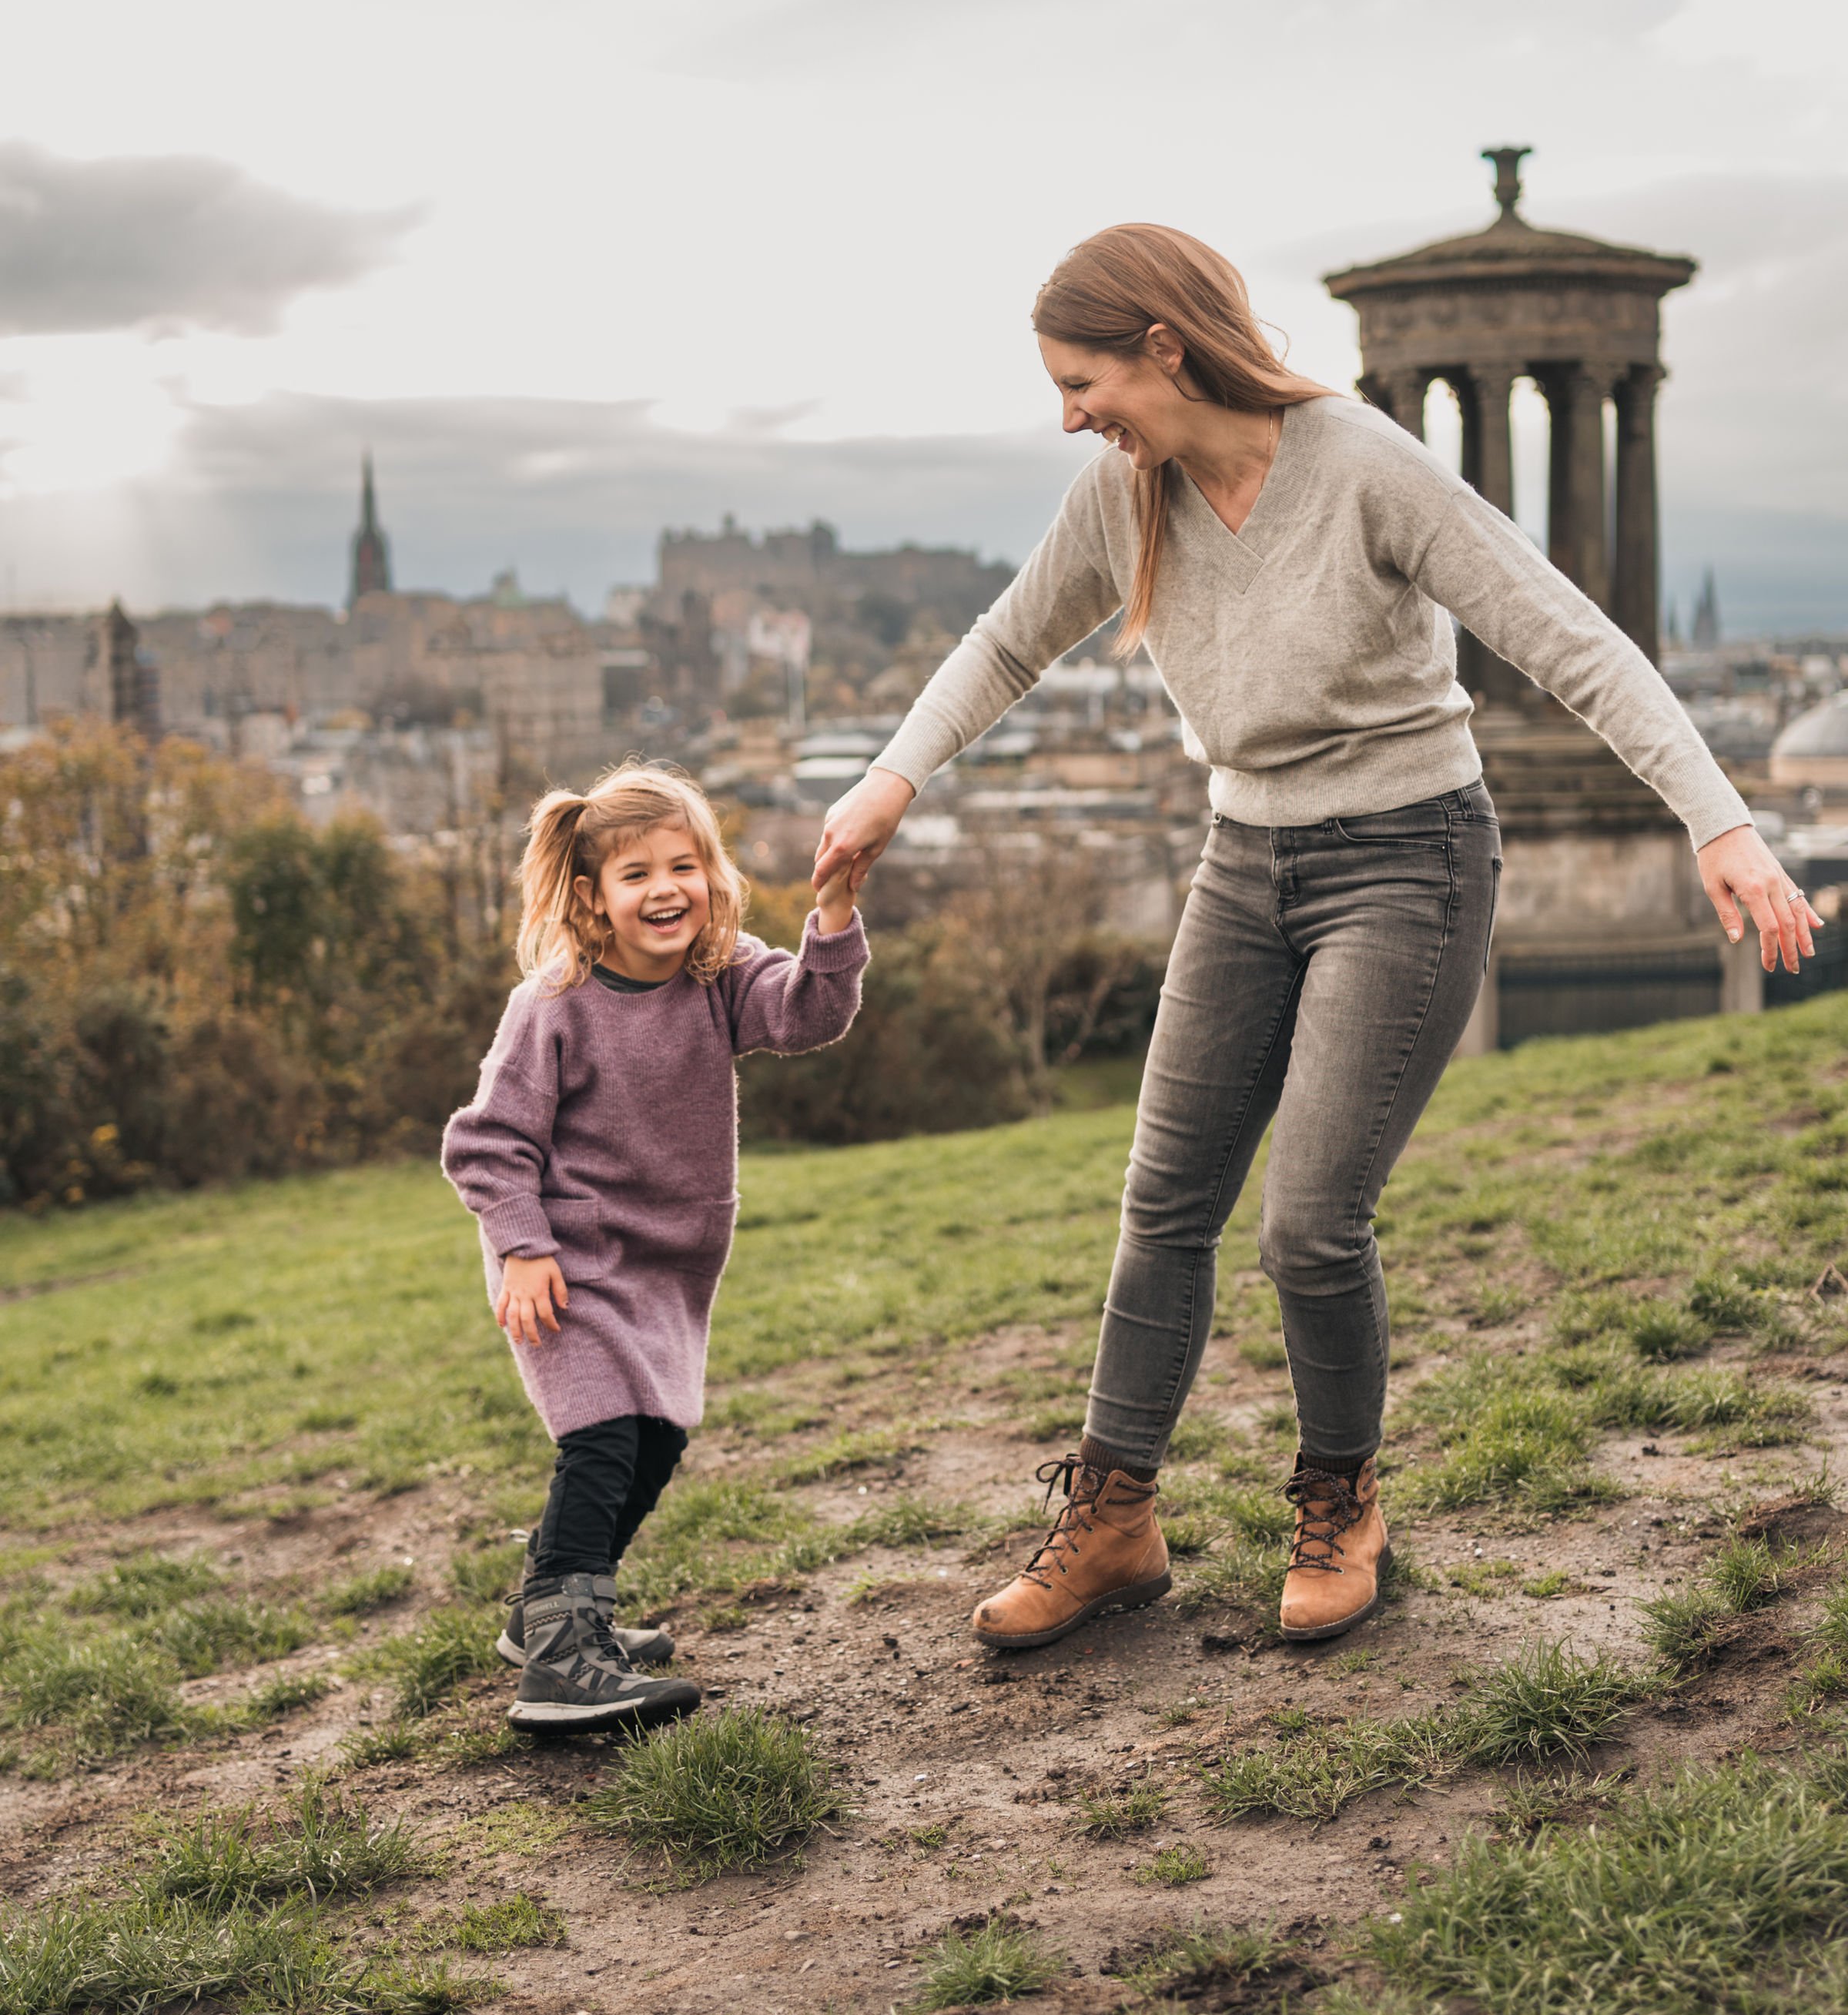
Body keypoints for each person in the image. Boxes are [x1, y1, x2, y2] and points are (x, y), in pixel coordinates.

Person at [814, 223, 1820, 1655]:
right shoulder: (1123, 497)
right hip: (1245, 862)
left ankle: (1343, 1501)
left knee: (1307, 1224)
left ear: (1165, 346)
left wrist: (1719, 823)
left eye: (1082, 378)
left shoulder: (1361, 466)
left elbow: (1569, 638)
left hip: (1407, 859)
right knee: (1163, 1205)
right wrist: (887, 784)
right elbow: (1004, 643)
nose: (1069, 414)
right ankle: (1113, 1522)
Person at [444, 761, 869, 1729]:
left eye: (685, 864)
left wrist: (835, 910)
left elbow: (811, 1012)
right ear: (593, 899)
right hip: (563, 1264)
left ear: (714, 876)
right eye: (637, 875)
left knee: (654, 1442)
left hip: (665, 1267)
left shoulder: (723, 979)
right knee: (599, 1443)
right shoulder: (553, 1003)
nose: (666, 888)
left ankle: (557, 1607)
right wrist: (521, 1247)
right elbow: (487, 1143)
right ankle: (559, 1661)